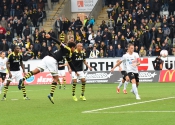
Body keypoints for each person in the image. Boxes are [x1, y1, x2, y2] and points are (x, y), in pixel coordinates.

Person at [18, 34, 77, 104]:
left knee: (36, 71)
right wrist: (50, 37)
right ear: (72, 47)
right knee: (56, 78)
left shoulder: (68, 53)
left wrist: (75, 71)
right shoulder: (67, 48)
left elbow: (70, 63)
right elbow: (59, 42)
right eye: (75, 48)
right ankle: (51, 94)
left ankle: (23, 79)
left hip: (47, 58)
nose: (75, 49)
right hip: (52, 60)